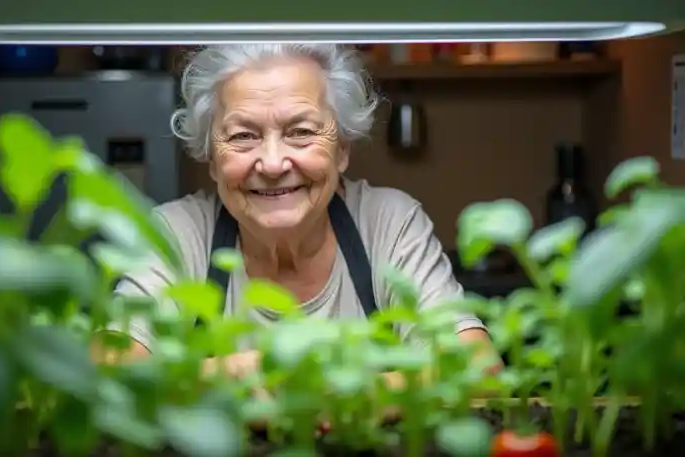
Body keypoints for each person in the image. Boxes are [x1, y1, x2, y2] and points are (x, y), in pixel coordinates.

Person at [109, 44, 500, 384]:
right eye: (243, 135)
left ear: (342, 149)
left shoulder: (389, 223)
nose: (274, 163)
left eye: (300, 132)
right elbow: (109, 370)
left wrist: (328, 394)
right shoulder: (176, 233)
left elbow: (475, 366)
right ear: (212, 160)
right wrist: (238, 374)